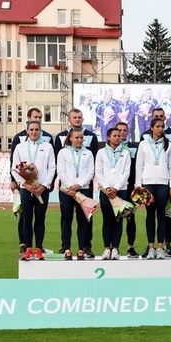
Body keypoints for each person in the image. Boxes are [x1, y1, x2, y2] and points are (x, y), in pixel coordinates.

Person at [54, 109, 99, 259]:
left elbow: (90, 172)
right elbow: (61, 171)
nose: (80, 140)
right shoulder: (63, 152)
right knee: (67, 219)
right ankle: (66, 247)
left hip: (83, 190)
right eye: (77, 138)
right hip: (67, 191)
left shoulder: (88, 153)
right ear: (71, 138)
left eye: (81, 138)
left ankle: (82, 248)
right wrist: (71, 186)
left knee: (83, 220)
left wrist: (79, 185)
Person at [10, 107, 53, 258]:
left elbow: (52, 168)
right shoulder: (20, 147)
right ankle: (28, 249)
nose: (34, 132)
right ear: (27, 131)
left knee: (40, 219)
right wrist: (26, 184)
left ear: (40, 131)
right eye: (31, 130)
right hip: (26, 189)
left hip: (42, 189)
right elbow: (14, 168)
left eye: (37, 129)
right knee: (27, 218)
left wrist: (43, 186)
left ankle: (39, 248)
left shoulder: (47, 147)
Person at [141, 107, 171, 258]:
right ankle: (150, 247)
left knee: (162, 215)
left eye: (162, 126)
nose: (160, 129)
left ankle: (160, 248)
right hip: (148, 182)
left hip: (164, 183)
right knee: (150, 215)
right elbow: (139, 165)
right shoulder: (144, 144)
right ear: (151, 128)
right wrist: (139, 186)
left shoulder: (169, 144)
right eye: (157, 126)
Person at [95, 127, 131, 260]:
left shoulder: (125, 153)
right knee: (107, 220)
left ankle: (115, 248)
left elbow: (126, 172)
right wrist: (107, 187)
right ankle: (106, 249)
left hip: (120, 190)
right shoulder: (101, 153)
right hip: (106, 191)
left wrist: (116, 187)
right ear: (108, 137)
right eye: (114, 135)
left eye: (119, 135)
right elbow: (98, 171)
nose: (118, 137)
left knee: (118, 220)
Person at [115, 121, 141, 258]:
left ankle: (131, 247)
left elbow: (137, 167)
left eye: (124, 130)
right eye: (119, 130)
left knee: (130, 218)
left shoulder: (134, 148)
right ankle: (115, 247)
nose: (122, 133)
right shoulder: (111, 150)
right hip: (116, 188)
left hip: (130, 187)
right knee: (116, 218)